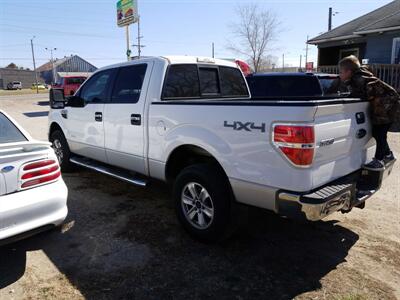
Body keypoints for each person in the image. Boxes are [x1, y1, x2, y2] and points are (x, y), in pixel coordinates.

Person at [338, 55, 399, 170]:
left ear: (349, 71)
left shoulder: (358, 79)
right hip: (388, 105)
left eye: (341, 72)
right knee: (378, 133)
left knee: (379, 134)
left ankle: (379, 161)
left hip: (386, 107)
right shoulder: (360, 75)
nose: (340, 75)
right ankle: (388, 155)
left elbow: (358, 95)